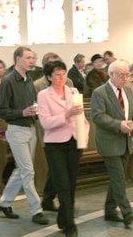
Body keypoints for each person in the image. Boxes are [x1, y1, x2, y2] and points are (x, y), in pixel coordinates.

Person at [0, 46, 49, 225]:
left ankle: (4, 203)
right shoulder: (8, 81)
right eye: (28, 58)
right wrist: (22, 113)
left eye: (33, 58)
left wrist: (36, 111)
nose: (32, 61)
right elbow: (0, 110)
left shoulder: (29, 80)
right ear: (18, 59)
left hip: (30, 129)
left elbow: (32, 105)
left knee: (21, 170)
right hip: (16, 129)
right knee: (28, 171)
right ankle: (36, 210)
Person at [38, 61, 89, 237]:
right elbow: (45, 122)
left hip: (74, 142)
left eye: (64, 74)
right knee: (62, 184)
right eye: (57, 75)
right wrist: (66, 115)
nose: (61, 78)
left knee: (72, 183)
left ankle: (64, 217)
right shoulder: (44, 95)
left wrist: (84, 137)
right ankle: (70, 225)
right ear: (49, 77)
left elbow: (82, 118)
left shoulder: (73, 92)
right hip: (55, 145)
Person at [91, 60, 133, 228]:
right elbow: (98, 117)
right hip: (109, 142)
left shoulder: (127, 90)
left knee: (117, 178)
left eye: (127, 75)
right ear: (111, 74)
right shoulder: (100, 93)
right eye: (121, 75)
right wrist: (118, 124)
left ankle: (110, 210)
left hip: (125, 141)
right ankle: (127, 212)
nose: (125, 78)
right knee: (119, 179)